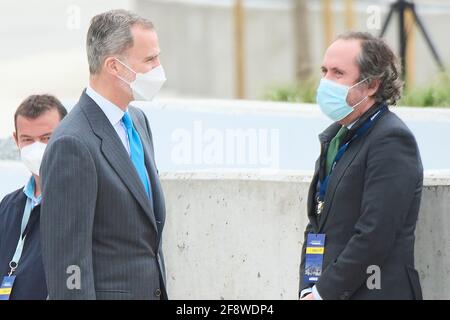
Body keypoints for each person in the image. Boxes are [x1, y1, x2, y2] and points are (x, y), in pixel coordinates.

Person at [40, 9, 168, 300]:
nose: (159, 68)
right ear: (114, 66)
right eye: (149, 60)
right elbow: (67, 264)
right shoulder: (72, 143)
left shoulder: (137, 122)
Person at [299, 32, 423, 300]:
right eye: (324, 71)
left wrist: (323, 293)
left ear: (371, 85)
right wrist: (309, 286)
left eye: (338, 73)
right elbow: (317, 227)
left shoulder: (390, 140)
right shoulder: (335, 137)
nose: (326, 82)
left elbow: (375, 234)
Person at [0, 95, 67, 300]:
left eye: (47, 138)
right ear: (16, 139)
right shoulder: (8, 206)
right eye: (27, 140)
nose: (37, 148)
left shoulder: (81, 202)